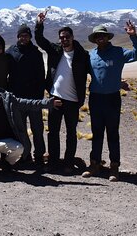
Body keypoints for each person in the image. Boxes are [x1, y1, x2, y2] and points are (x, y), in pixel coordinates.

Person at [82, 21, 137, 181]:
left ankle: (114, 167)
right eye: (97, 36)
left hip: (112, 98)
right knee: (96, 133)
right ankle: (94, 164)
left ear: (107, 37)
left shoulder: (118, 52)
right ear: (94, 39)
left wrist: (133, 36)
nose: (100, 38)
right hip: (95, 98)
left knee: (112, 133)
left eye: (102, 35)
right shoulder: (90, 55)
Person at [34, 11, 90, 174]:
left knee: (71, 133)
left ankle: (68, 162)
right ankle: (53, 162)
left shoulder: (82, 55)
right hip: (55, 98)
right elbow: (40, 40)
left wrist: (116, 81)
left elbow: (95, 72)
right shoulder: (55, 50)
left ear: (72, 37)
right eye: (62, 37)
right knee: (53, 132)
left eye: (67, 37)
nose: (64, 39)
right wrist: (39, 25)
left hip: (73, 100)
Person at [0, 79, 61, 172]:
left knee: (19, 149)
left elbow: (28, 103)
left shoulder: (6, 100)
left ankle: (7, 162)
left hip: (4, 139)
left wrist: (48, 103)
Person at [5, 24, 46, 167]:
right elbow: (0, 62)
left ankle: (39, 155)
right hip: (17, 98)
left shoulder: (36, 53)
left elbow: (42, 75)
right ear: (18, 37)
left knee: (37, 129)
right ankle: (24, 155)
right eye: (22, 35)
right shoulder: (11, 52)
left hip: (34, 99)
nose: (24, 38)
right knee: (20, 129)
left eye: (26, 36)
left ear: (30, 37)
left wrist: (40, 96)